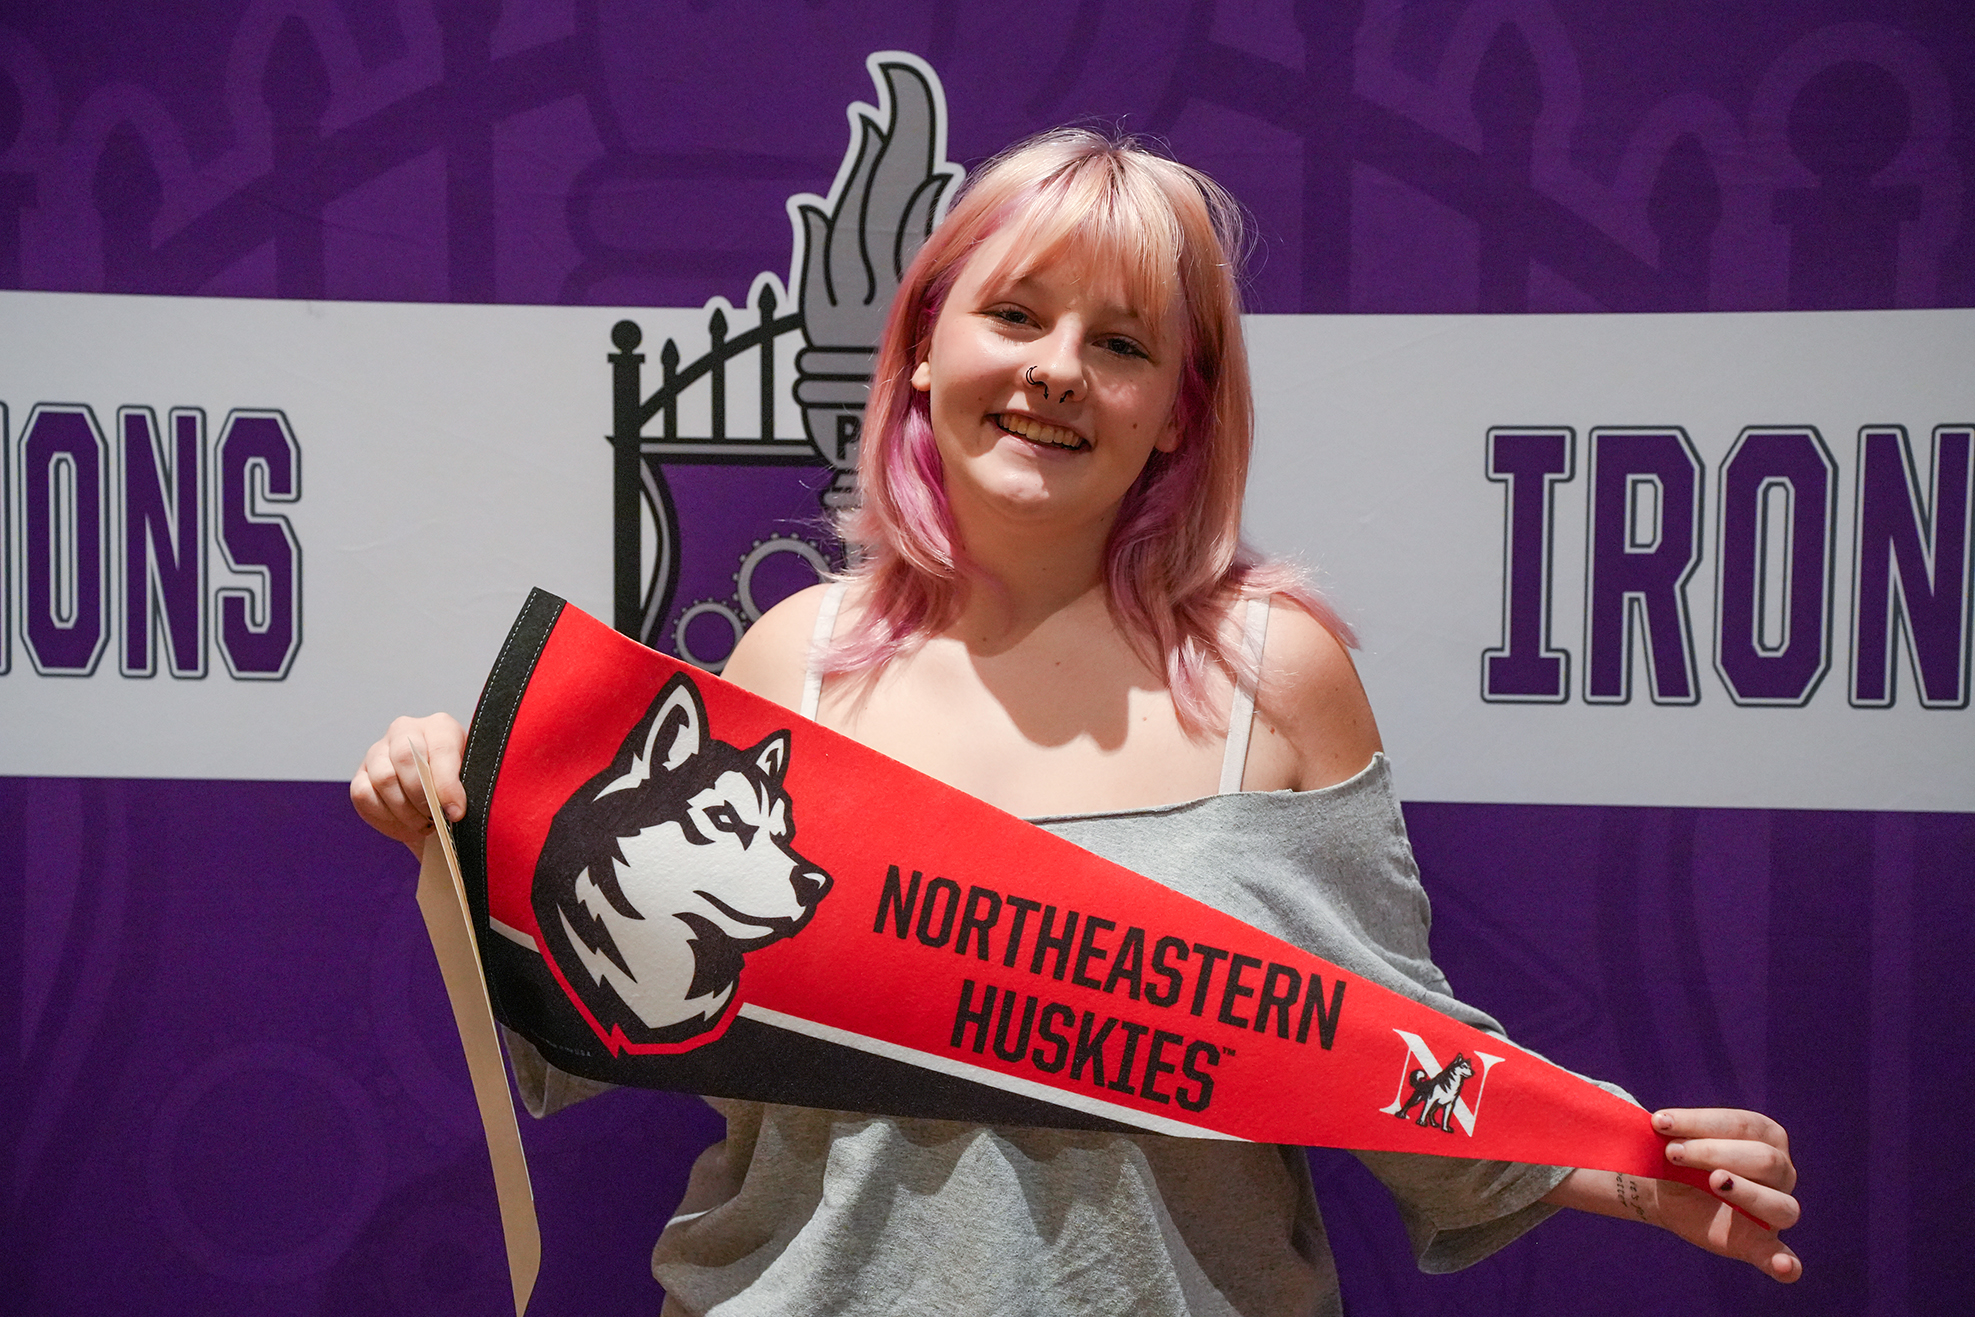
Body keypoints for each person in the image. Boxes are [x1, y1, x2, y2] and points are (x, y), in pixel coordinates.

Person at [353, 129, 1800, 1314]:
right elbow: (620, 987)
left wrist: (1611, 1159)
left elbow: (1386, 1046)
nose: (1056, 369)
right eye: (1014, 314)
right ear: (921, 351)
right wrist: (455, 814)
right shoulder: (792, 664)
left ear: (1179, 410)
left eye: (1120, 342)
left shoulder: (1272, 680)